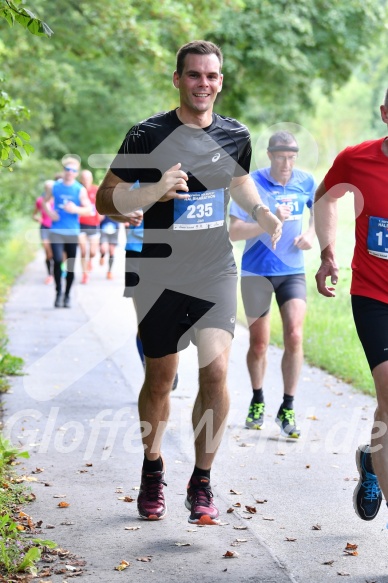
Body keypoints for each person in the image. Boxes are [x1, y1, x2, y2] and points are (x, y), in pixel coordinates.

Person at [96, 40, 282, 525]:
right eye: (194, 75)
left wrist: (260, 210)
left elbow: (238, 180)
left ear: (221, 81)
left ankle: (201, 480)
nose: (204, 84)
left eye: (212, 76)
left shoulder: (234, 134)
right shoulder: (146, 134)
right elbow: (105, 198)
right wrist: (154, 189)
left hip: (215, 269)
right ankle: (153, 468)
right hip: (156, 272)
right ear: (177, 79)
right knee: (159, 379)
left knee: (216, 374)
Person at [314, 91, 388, 523]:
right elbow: (325, 197)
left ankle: (371, 461)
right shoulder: (356, 159)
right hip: (375, 297)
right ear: (384, 113)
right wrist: (328, 253)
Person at [229, 131, 316, 438]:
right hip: (256, 272)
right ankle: (257, 399)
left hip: (292, 270)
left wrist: (312, 235)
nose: (286, 164)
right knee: (259, 343)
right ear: (270, 155)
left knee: (294, 334)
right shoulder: (251, 184)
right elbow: (234, 231)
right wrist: (267, 221)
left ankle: (288, 406)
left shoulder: (305, 181)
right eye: (281, 157)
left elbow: (319, 210)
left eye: (292, 158)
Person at [123, 210, 179, 391]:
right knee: (144, 321)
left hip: (167, 252)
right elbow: (109, 207)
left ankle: (168, 363)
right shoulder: (130, 182)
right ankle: (150, 369)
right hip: (136, 252)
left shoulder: (176, 180)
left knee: (171, 316)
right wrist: (124, 214)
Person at [43, 157, 91, 308]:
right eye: (67, 169)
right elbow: (44, 202)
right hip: (57, 230)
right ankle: (58, 293)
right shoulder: (55, 187)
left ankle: (67, 295)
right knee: (57, 260)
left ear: (76, 173)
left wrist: (75, 209)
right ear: (64, 171)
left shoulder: (79, 189)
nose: (70, 172)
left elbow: (89, 209)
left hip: (72, 232)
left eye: (73, 170)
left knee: (70, 265)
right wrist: (50, 214)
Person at [78, 169, 102, 284]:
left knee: (92, 252)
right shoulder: (78, 190)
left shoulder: (96, 189)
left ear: (91, 179)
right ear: (81, 179)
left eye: (88, 178)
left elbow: (101, 204)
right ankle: (85, 274)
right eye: (84, 178)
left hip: (94, 224)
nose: (86, 180)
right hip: (80, 224)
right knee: (83, 251)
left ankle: (90, 261)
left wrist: (101, 215)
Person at [33, 180, 55, 284]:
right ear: (45, 189)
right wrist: (38, 219)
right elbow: (34, 215)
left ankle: (58, 269)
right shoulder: (40, 201)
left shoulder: (57, 200)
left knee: (57, 252)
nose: (49, 190)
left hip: (56, 228)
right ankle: (50, 275)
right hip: (44, 227)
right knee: (48, 252)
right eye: (47, 188)